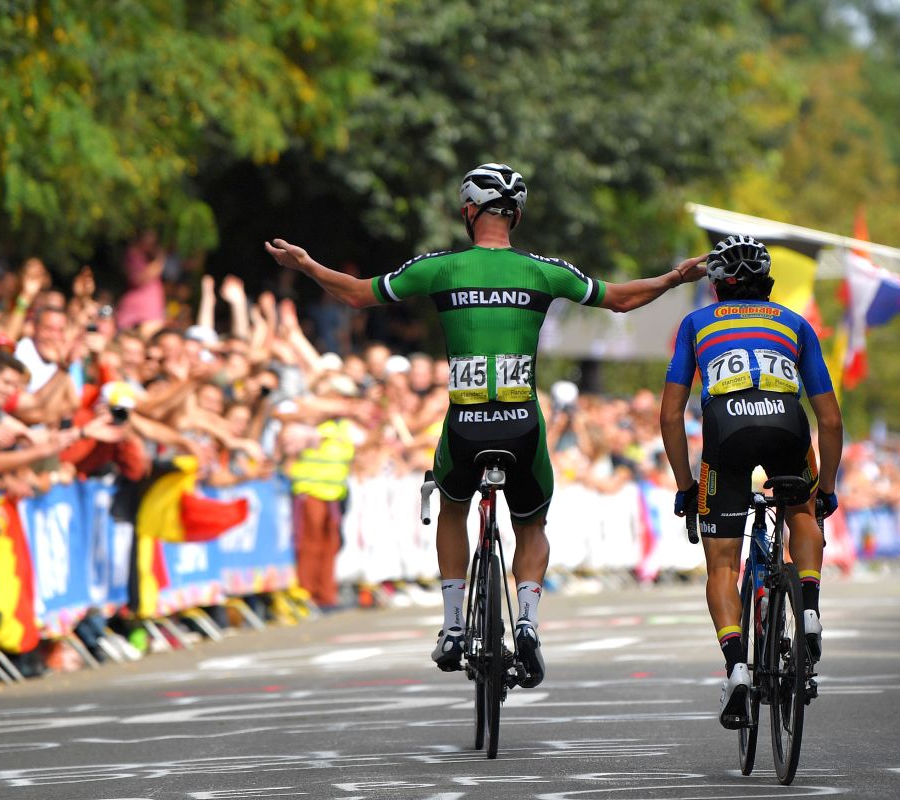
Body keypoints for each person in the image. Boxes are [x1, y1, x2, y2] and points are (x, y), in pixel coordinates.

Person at [264, 162, 707, 686]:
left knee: (453, 508)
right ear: (516, 216)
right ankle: (527, 622)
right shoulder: (543, 269)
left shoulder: (442, 267)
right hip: (523, 423)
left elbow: (359, 293)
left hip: (465, 423)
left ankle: (453, 625)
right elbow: (622, 298)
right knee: (532, 524)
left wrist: (309, 265)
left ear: (467, 212)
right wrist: (677, 276)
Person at [658, 235, 842, 729]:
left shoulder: (696, 323)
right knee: (802, 513)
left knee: (721, 562)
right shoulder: (795, 322)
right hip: (787, 424)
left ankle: (737, 665)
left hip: (727, 434)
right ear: (769, 284)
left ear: (716, 286)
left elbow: (671, 415)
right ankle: (809, 609)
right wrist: (826, 486)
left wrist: (684, 484)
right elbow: (831, 420)